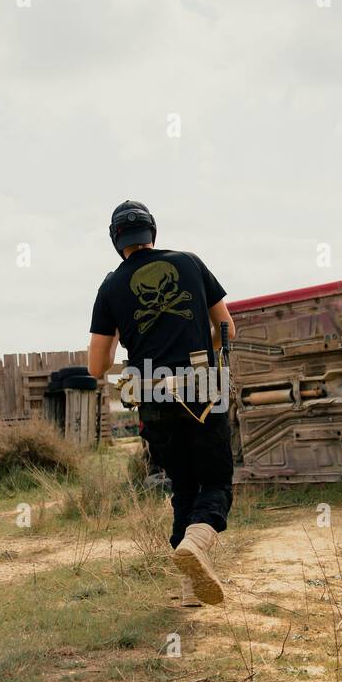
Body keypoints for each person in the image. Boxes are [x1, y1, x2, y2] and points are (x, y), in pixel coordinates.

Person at [88, 201, 237, 607]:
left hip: (152, 395)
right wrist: (207, 350)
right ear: (152, 232)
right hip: (202, 389)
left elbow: (97, 365)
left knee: (184, 486)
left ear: (116, 240)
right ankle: (196, 542)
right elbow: (226, 326)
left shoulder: (110, 287)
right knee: (217, 482)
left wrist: (128, 339)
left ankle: (191, 589)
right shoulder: (189, 262)